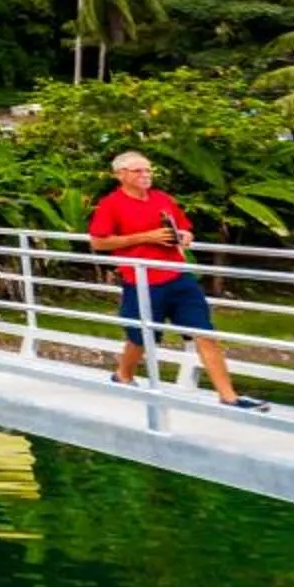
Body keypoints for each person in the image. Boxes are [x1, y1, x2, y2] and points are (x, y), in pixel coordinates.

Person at [91, 151, 260, 407]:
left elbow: (184, 227)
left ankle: (229, 397)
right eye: (138, 171)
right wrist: (146, 237)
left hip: (178, 275)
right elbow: (99, 242)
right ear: (120, 175)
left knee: (204, 333)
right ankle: (123, 375)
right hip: (141, 280)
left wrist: (184, 236)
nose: (146, 175)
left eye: (148, 170)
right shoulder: (111, 204)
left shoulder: (162, 198)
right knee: (141, 337)